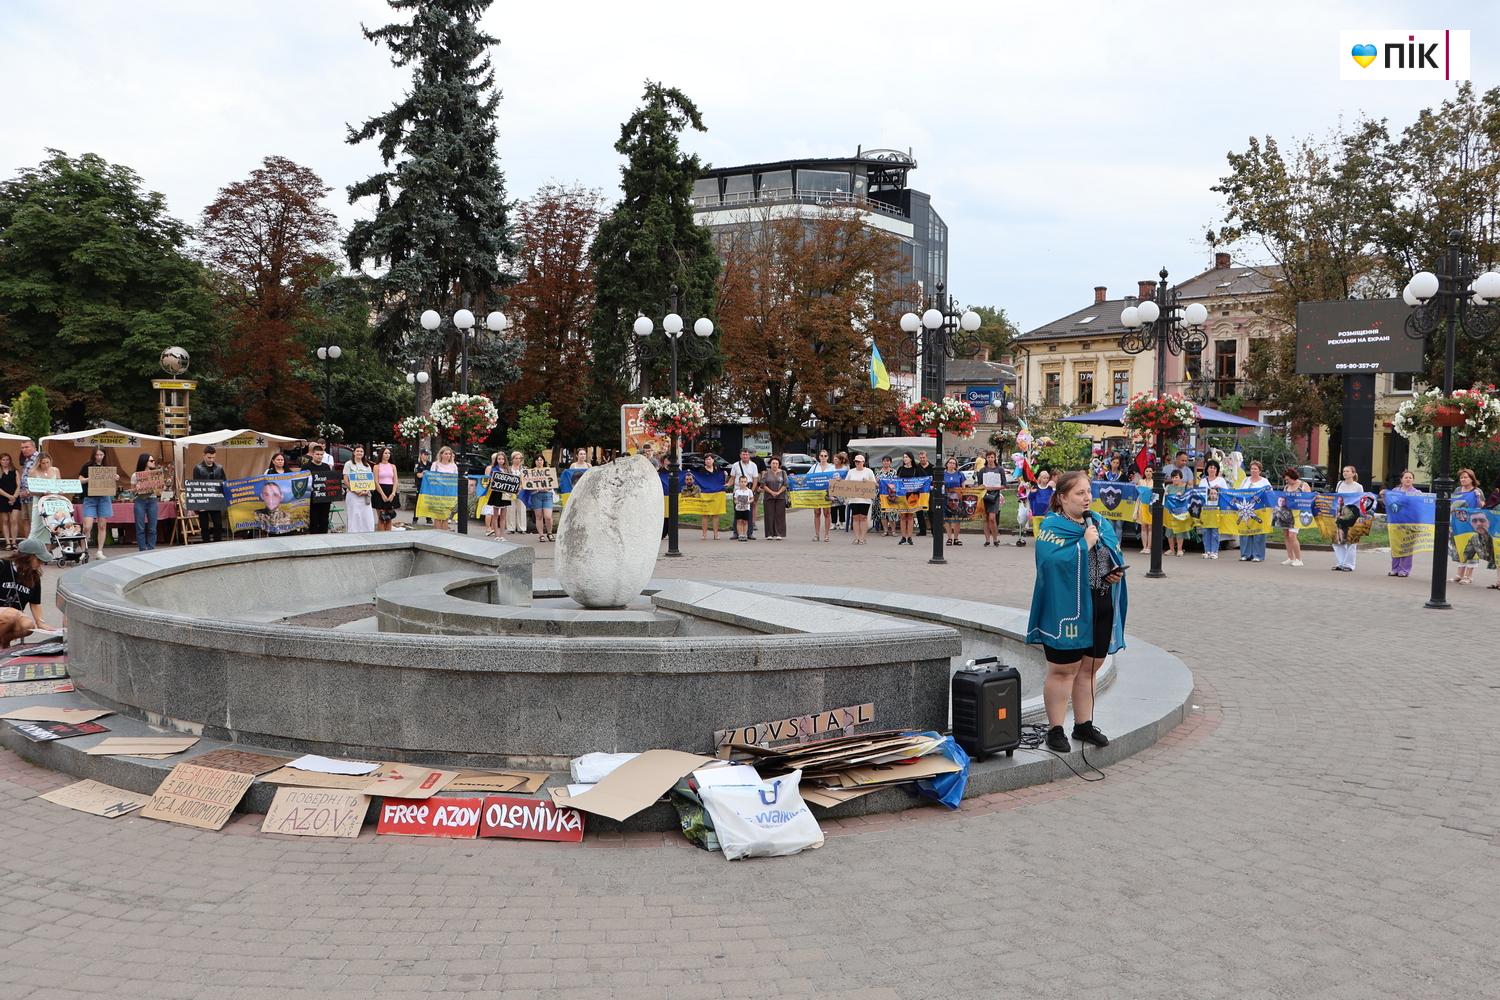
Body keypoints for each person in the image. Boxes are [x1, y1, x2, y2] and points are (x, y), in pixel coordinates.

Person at [1026, 470, 1127, 754]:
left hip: (1100, 603)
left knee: (1090, 668)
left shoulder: (1098, 523)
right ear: (1062, 498)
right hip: (1065, 609)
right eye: (1080, 493)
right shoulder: (1052, 526)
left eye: (1089, 492)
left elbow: (1111, 554)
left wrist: (1112, 573)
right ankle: (1055, 728)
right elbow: (1050, 564)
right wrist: (1084, 544)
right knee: (1063, 670)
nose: (1088, 498)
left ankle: (1083, 724)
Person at [0, 538, 53, 646]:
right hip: (7, 614)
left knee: (28, 625)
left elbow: (35, 603)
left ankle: (3, 644)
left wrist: (40, 622)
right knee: (12, 614)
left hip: (12, 617)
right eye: (39, 560)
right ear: (27, 558)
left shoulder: (34, 576)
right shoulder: (2, 565)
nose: (41, 563)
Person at [78, 447, 116, 560]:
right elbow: (79, 479)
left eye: (101, 455)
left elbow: (111, 481)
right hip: (90, 498)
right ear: (94, 455)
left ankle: (99, 551)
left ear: (104, 455)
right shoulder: (87, 466)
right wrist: (89, 479)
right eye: (97, 455)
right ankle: (83, 550)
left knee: (102, 525)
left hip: (104, 498)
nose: (99, 457)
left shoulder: (108, 467)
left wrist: (115, 477)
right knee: (87, 526)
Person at [1381, 469, 1421, 578]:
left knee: (1407, 546)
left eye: (1410, 478)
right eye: (1406, 477)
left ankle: (1404, 570)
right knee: (1396, 545)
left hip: (1411, 523)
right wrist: (1384, 496)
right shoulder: (1394, 491)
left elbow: (1421, 507)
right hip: (1396, 522)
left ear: (1413, 480)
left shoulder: (1417, 493)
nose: (1408, 479)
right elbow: (1389, 505)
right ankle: (1395, 569)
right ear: (1401, 479)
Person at [1450, 468, 1484, 585]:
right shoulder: (1457, 490)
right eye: (1461, 477)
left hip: (1472, 524)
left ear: (1472, 479)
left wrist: (1478, 497)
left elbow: (1483, 506)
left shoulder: (1476, 491)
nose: (1463, 479)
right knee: (1460, 548)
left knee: (1472, 549)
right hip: (1459, 524)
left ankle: (1468, 576)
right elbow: (1452, 505)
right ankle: (1459, 574)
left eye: (1466, 477)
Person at [191, 445, 228, 542]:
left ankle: (217, 543)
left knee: (218, 524)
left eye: (213, 457)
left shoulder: (219, 468)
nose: (211, 460)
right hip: (203, 499)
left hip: (216, 500)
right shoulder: (197, 468)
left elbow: (224, 482)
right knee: (204, 525)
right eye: (209, 457)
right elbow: (196, 485)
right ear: (203, 455)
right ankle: (206, 544)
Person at [1331, 465, 1364, 572]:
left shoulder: (1358, 486)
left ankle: (1349, 565)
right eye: (1344, 471)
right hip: (1341, 513)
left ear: (1353, 474)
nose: (1345, 473)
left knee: (1351, 539)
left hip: (1352, 514)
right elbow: (1337, 499)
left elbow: (1361, 501)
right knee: (1338, 539)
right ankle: (1341, 562)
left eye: (1347, 471)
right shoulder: (1339, 484)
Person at [26, 452, 60, 545]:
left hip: (53, 501)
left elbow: (59, 485)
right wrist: (42, 492)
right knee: (36, 526)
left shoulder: (55, 470)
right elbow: (31, 490)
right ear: (39, 463)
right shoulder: (33, 472)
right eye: (43, 463)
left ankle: (51, 550)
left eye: (47, 462)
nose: (46, 465)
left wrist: (60, 491)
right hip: (39, 502)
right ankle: (29, 548)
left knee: (54, 525)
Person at [1279, 467, 1310, 567]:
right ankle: (1290, 557)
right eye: (1285, 480)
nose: (1286, 481)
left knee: (1292, 535)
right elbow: (1283, 498)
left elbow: (1308, 499)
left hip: (1298, 513)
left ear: (1293, 477)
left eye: (1288, 479)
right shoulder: (1286, 487)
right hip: (1286, 513)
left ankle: (1299, 559)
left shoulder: (1303, 485)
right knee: (1286, 535)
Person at [1198, 459, 1229, 560]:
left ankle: (1214, 551)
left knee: (1215, 530)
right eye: (1210, 467)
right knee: (1206, 530)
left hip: (1216, 509)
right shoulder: (1203, 481)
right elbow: (1199, 494)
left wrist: (1219, 489)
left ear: (1217, 470)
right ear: (1207, 469)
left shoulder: (1221, 480)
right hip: (1206, 509)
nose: (1212, 469)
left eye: (1214, 468)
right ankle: (1207, 550)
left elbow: (1226, 494)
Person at [845, 453, 877, 545]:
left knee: (863, 518)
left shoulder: (869, 471)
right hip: (854, 499)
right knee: (855, 518)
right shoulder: (851, 471)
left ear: (863, 462)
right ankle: (856, 537)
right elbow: (846, 484)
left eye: (859, 461)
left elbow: (875, 484)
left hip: (865, 499)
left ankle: (862, 538)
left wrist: (867, 482)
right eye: (856, 461)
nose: (857, 463)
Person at [343, 444, 375, 534]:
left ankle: (367, 533)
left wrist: (367, 491)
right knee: (354, 515)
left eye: (361, 451)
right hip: (353, 495)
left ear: (364, 453)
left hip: (365, 496)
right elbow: (346, 481)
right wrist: (355, 491)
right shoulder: (348, 464)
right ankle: (353, 534)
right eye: (357, 451)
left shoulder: (367, 466)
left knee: (366, 515)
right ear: (354, 452)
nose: (359, 453)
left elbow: (370, 481)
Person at [131, 454, 161, 550]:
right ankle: (142, 549)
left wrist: (161, 486)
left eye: (153, 460)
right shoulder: (135, 475)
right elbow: (132, 492)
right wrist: (137, 488)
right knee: (140, 527)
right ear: (145, 462)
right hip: (140, 500)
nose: (153, 462)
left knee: (152, 528)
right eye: (151, 461)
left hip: (152, 500)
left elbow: (159, 491)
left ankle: (151, 548)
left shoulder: (156, 474)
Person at [728, 449, 760, 540]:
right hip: (738, 492)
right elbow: (732, 478)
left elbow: (755, 480)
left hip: (748, 491)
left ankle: (749, 533)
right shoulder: (735, 465)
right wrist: (727, 485)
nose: (745, 456)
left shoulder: (753, 465)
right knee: (737, 512)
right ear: (740, 455)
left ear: (749, 455)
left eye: (746, 454)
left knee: (748, 513)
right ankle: (736, 533)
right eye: (743, 454)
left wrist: (752, 492)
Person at [306, 442, 335, 535]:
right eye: (317, 454)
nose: (319, 456)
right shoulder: (306, 467)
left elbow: (331, 481)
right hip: (312, 499)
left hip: (325, 499)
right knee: (314, 521)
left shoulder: (326, 466)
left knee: (324, 520)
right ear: (312, 454)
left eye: (321, 454)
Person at [808, 449, 834, 542]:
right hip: (816, 493)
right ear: (819, 457)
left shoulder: (832, 467)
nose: (823, 458)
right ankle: (817, 534)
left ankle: (826, 535)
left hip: (827, 493)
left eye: (825, 456)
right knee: (817, 513)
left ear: (828, 457)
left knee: (827, 513)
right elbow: (808, 477)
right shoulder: (814, 467)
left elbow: (836, 477)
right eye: (821, 456)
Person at [430, 447, 459, 532]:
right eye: (446, 453)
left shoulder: (453, 466)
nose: (447, 456)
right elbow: (431, 477)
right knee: (438, 515)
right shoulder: (435, 464)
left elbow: (456, 479)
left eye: (449, 454)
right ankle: (436, 534)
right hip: (438, 492)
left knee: (446, 515)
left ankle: (444, 535)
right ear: (441, 454)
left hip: (449, 493)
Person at [895, 452, 921, 545]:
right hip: (902, 495)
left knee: (910, 516)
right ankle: (903, 537)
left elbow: (922, 480)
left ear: (911, 458)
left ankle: (909, 537)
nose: (904, 459)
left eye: (906, 457)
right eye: (904, 457)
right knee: (902, 516)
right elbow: (896, 480)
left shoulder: (916, 469)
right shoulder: (900, 469)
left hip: (912, 496)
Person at [528, 455, 556, 542]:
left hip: (547, 495)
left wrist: (547, 488)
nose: (539, 461)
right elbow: (527, 485)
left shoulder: (548, 470)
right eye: (537, 460)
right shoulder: (530, 472)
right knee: (539, 516)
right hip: (536, 495)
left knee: (548, 516)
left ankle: (549, 533)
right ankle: (541, 535)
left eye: (541, 460)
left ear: (543, 461)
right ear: (535, 462)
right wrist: (536, 489)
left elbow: (553, 483)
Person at [978, 452, 1003, 548]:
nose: (990, 459)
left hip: (995, 495)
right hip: (985, 495)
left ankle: (995, 539)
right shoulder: (982, 470)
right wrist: (982, 487)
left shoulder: (1000, 469)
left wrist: (994, 488)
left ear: (995, 458)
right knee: (985, 518)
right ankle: (987, 540)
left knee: (992, 518)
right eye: (988, 457)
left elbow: (1004, 484)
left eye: (992, 457)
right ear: (986, 458)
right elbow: (979, 484)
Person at [373, 446, 400, 532]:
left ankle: (389, 537)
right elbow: (376, 481)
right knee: (381, 518)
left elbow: (395, 480)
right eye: (385, 453)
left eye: (389, 453)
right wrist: (382, 495)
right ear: (381, 454)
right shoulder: (376, 466)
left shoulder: (393, 466)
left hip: (391, 491)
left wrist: (393, 493)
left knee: (389, 517)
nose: (388, 455)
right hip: (380, 492)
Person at [760, 456, 788, 540]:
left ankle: (779, 533)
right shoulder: (766, 473)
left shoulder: (783, 473)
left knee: (779, 515)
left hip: (780, 497)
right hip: (769, 497)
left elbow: (785, 484)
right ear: (770, 464)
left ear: (779, 464)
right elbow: (763, 485)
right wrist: (772, 492)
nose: (775, 465)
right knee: (769, 515)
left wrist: (778, 492)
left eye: (776, 463)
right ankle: (769, 534)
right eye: (773, 463)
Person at [481, 451, 507, 539]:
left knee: (503, 516)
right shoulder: (493, 469)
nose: (501, 460)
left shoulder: (507, 469)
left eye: (502, 459)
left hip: (505, 494)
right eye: (499, 459)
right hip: (495, 493)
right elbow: (487, 480)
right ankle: (496, 535)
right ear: (496, 460)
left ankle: (502, 535)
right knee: (495, 515)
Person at [1165, 469, 1190, 557]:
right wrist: (1166, 494)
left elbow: (1188, 498)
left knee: (1179, 530)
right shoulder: (1168, 487)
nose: (1174, 479)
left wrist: (1182, 495)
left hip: (1180, 512)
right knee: (1169, 531)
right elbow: (1164, 498)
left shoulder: (1185, 487)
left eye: (1176, 477)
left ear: (1180, 478)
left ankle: (1179, 549)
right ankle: (1171, 549)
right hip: (1170, 511)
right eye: (1173, 477)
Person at [943, 457, 965, 547]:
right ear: (947, 464)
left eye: (954, 463)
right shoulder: (942, 474)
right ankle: (949, 538)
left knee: (957, 519)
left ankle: (956, 538)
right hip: (946, 499)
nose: (952, 464)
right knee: (947, 519)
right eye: (950, 463)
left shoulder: (960, 474)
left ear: (956, 465)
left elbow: (963, 487)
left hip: (957, 500)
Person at [877, 456, 901, 538]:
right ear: (882, 462)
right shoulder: (878, 472)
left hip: (891, 496)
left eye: (887, 461)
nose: (886, 462)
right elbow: (876, 484)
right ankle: (885, 531)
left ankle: (893, 531)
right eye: (884, 461)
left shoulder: (894, 472)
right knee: (883, 514)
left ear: (890, 462)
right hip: (881, 496)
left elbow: (896, 483)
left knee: (892, 513)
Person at [699, 454, 721, 541]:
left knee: (715, 514)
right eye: (706, 459)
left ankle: (716, 534)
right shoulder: (701, 470)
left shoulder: (717, 469)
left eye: (710, 459)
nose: (708, 461)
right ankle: (704, 534)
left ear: (713, 460)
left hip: (716, 494)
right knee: (705, 515)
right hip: (705, 494)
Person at [913, 451, 935, 536]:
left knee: (931, 511)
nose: (922, 459)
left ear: (927, 457)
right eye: (921, 458)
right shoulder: (917, 468)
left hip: (930, 492)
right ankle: (922, 530)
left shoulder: (933, 467)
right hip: (919, 492)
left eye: (924, 457)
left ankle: (933, 530)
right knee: (919, 511)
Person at [0, 453, 19, 550]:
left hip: (15, 497)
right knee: (5, 520)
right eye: (3, 460)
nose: (5, 462)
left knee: (14, 520)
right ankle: (7, 542)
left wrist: (14, 497)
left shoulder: (15, 471)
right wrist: (9, 497)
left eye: (7, 459)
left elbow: (19, 485)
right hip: (3, 497)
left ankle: (14, 541)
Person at [507, 451, 528, 535]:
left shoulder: (524, 469)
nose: (518, 460)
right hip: (510, 491)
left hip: (521, 491)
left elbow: (527, 480)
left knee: (522, 509)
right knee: (510, 509)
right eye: (516, 458)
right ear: (512, 459)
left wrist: (521, 488)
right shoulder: (508, 469)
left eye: (520, 458)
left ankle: (522, 528)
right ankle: (511, 528)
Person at [1135, 466, 1155, 556]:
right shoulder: (1141, 482)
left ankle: (1149, 547)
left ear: (1153, 473)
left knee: (1150, 527)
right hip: (1142, 505)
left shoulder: (1155, 482)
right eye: (1146, 471)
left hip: (1151, 506)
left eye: (1150, 471)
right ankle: (1144, 547)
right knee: (1143, 527)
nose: (1148, 473)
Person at [412, 448, 433, 526]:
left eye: (427, 455)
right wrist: (426, 473)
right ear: (421, 455)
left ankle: (429, 518)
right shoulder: (418, 464)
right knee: (418, 502)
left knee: (428, 502)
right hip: (420, 486)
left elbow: (433, 475)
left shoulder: (430, 464)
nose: (426, 456)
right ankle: (415, 518)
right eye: (425, 454)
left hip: (428, 487)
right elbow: (418, 475)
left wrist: (425, 473)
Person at [731, 475, 753, 540]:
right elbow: (735, 499)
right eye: (742, 482)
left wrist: (749, 502)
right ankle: (740, 534)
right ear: (739, 482)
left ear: (747, 483)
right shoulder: (737, 491)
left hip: (746, 508)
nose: (743, 483)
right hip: (739, 509)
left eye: (744, 482)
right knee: (739, 521)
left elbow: (752, 499)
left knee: (745, 522)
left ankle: (745, 534)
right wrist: (736, 502)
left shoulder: (749, 491)